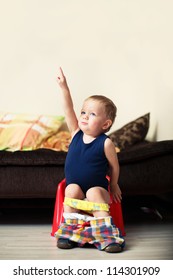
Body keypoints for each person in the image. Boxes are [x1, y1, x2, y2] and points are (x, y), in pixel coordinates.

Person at [55, 67, 125, 253]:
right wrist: (64, 87)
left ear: (105, 124)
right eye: (83, 112)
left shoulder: (106, 143)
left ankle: (106, 237)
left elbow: (114, 166)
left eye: (92, 114)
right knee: (70, 189)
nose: (85, 116)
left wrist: (115, 185)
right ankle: (69, 233)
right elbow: (68, 108)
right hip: (76, 186)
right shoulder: (76, 133)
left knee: (94, 193)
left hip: (98, 188)